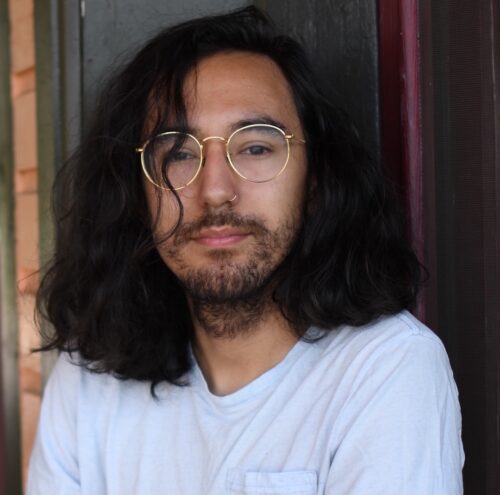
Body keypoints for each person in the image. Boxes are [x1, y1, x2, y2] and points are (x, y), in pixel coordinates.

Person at [28, 6, 464, 494]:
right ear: (138, 192)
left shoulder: (384, 369)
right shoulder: (90, 374)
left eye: (256, 147)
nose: (215, 190)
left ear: (315, 181)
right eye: (179, 154)